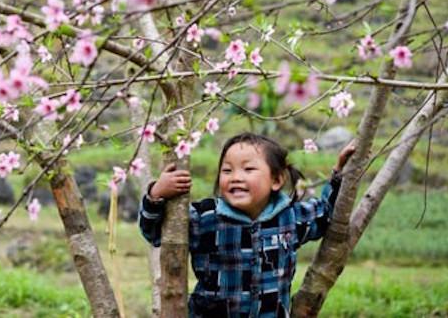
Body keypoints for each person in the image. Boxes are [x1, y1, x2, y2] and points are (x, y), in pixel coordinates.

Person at [138, 132, 356, 318]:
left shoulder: (289, 217)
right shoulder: (206, 219)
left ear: (276, 180)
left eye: (248, 169)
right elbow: (155, 232)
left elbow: (327, 214)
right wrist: (156, 194)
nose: (236, 177)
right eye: (227, 170)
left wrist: (339, 173)